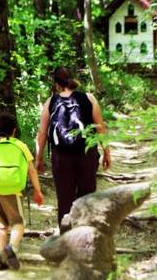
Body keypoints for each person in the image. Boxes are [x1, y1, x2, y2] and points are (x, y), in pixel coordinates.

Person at [35, 67, 110, 232]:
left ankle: (66, 236)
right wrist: (106, 152)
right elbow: (100, 128)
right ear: (72, 79)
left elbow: (42, 133)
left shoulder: (51, 102)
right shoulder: (89, 98)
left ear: (56, 84)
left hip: (61, 158)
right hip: (87, 155)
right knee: (88, 196)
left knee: (64, 198)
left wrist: (38, 158)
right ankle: (86, 234)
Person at [0, 113, 44, 270]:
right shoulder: (21, 146)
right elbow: (32, 171)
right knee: (18, 223)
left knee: (1, 226)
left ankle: (0, 256)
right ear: (14, 130)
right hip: (13, 190)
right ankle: (12, 248)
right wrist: (38, 190)